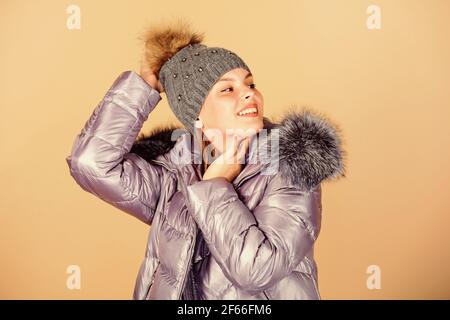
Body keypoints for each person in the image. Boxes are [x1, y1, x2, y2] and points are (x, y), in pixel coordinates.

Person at [66, 20, 346, 300]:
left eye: (250, 83)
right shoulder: (175, 172)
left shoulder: (288, 164)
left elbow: (256, 269)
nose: (249, 93)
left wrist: (215, 185)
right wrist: (143, 86)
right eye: (228, 89)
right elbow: (91, 163)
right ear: (195, 113)